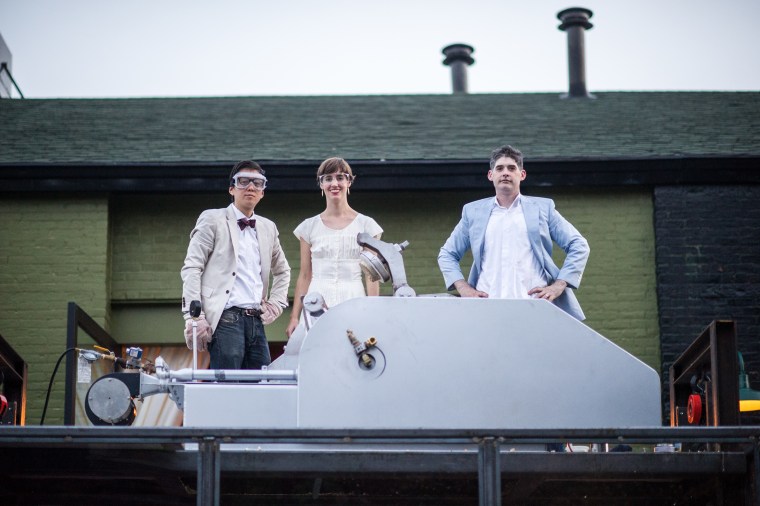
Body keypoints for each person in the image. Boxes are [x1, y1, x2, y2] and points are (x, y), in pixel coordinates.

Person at [438, 145, 590, 320]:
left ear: (522, 174)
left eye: (511, 168)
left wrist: (559, 285)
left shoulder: (543, 209)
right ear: (491, 175)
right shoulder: (473, 212)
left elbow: (579, 245)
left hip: (536, 307)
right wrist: (463, 288)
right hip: (487, 306)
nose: (505, 173)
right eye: (499, 168)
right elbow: (447, 254)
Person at [181, 160, 291, 369]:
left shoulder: (268, 227)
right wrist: (194, 317)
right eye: (243, 181)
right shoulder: (212, 219)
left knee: (262, 386)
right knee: (227, 387)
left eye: (257, 183)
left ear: (262, 192)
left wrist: (276, 304)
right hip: (225, 319)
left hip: (256, 322)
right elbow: (192, 267)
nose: (250, 187)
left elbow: (283, 270)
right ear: (231, 188)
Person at [285, 157, 383, 337]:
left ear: (349, 182)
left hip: (354, 296)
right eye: (328, 178)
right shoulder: (308, 227)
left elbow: (372, 275)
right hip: (317, 299)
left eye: (340, 177)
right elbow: (305, 275)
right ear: (321, 184)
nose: (334, 183)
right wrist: (294, 317)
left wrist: (373, 311)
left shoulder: (367, 225)